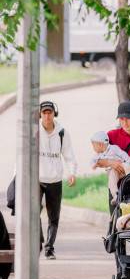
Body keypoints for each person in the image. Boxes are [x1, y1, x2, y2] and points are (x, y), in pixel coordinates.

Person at [38, 100, 78, 259]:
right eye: (44, 113)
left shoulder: (62, 133)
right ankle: (38, 241)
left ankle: (49, 248)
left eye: (50, 113)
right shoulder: (34, 131)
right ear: (40, 114)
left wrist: (72, 172)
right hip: (37, 179)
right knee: (33, 213)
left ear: (55, 113)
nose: (47, 116)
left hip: (55, 180)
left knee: (53, 217)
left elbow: (69, 155)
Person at [90, 131, 130, 205]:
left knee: (127, 165)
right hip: (113, 172)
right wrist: (93, 165)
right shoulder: (98, 155)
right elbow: (92, 160)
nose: (93, 148)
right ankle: (115, 196)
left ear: (100, 144)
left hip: (121, 166)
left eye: (94, 146)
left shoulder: (114, 148)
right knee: (111, 181)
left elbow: (123, 154)